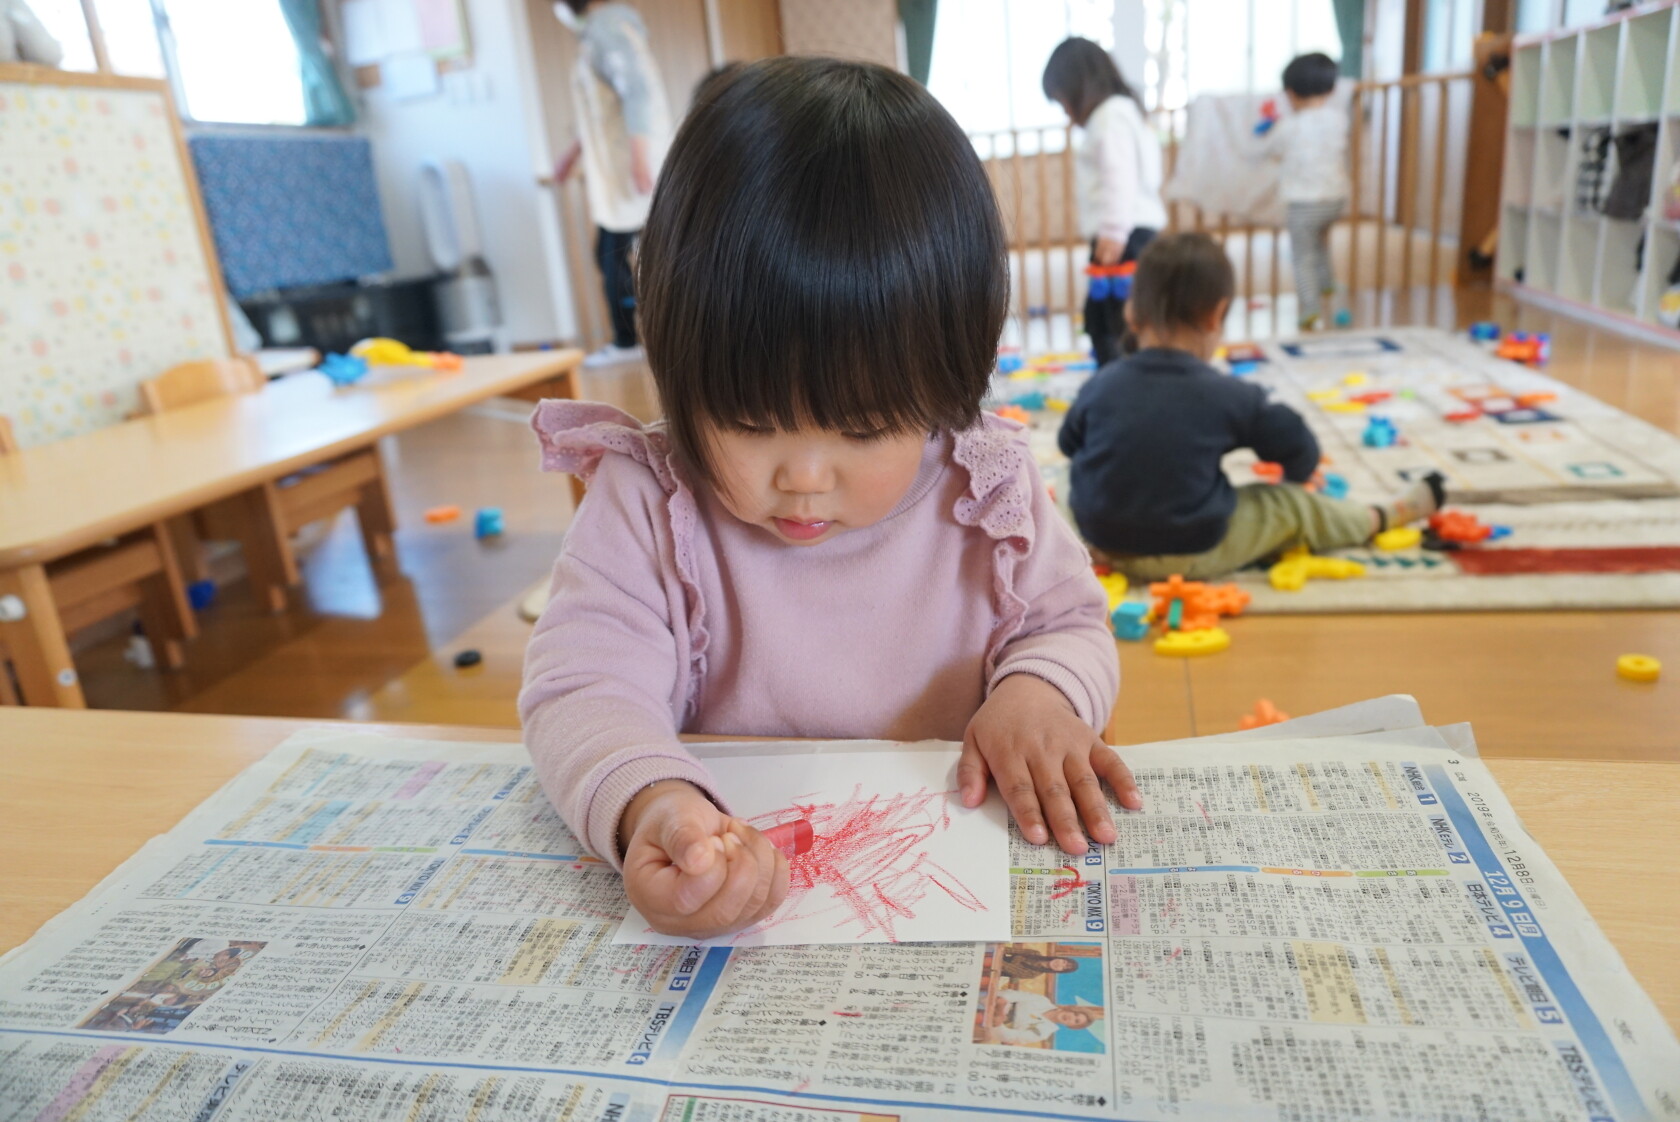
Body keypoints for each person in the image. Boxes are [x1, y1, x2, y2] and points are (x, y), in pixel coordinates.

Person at [521, 58, 1142, 942]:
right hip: (744, 905)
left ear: (947, 383)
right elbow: (583, 682)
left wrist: (1039, 695)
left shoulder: (984, 488)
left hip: (943, 887)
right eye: (748, 421)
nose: (805, 477)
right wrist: (649, 801)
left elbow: (1068, 623)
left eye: (862, 428)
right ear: (673, 358)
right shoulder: (647, 501)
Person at [1058, 233, 1443, 581]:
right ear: (1216, 314)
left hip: (1100, 542)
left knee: (1065, 480)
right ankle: (1377, 518)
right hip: (1191, 550)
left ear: (1130, 313)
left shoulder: (1100, 384)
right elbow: (1296, 440)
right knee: (1288, 506)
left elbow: (1067, 443)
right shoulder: (1228, 394)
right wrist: (1299, 472)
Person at [552, 0, 674, 367]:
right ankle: (632, 338)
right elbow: (600, 108)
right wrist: (572, 153)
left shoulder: (609, 29)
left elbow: (637, 91)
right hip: (618, 165)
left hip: (630, 165)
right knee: (613, 253)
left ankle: (628, 341)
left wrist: (639, 158)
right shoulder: (597, 33)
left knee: (614, 255)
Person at [1042, 37, 1166, 367]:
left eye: (1063, 101)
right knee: (1108, 318)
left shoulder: (1109, 118)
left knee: (1114, 323)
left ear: (1078, 87)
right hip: (1132, 232)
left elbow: (1118, 176)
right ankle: (1122, 377)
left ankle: (1121, 381)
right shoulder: (1124, 112)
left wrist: (1112, 232)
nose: (1066, 113)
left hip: (1122, 235)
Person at [1263, 52, 1350, 331]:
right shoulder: (1338, 119)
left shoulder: (1289, 127)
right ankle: (1328, 286)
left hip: (1303, 203)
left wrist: (1270, 126)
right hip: (1335, 200)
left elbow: (1273, 150)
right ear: (1331, 89)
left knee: (1303, 256)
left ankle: (1310, 309)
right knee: (1321, 244)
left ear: (1290, 93)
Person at [986, 987, 1104, 1046]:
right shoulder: (1042, 1000)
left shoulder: (1043, 1032)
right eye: (1075, 1014)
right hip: (990, 1002)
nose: (1071, 1018)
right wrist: (1000, 1007)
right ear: (1071, 1009)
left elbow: (1012, 1037)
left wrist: (998, 1023)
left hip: (990, 1025)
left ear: (1071, 1026)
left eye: (1076, 1021)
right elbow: (1012, 995)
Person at [999, 949, 1081, 980]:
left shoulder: (1033, 974)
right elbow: (1011, 950)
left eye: (1063, 968)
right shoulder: (1035, 953)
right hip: (998, 956)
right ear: (1060, 958)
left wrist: (996, 956)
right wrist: (999, 951)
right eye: (1064, 962)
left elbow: (1006, 967)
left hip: (996, 968)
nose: (1059, 964)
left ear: (1059, 971)